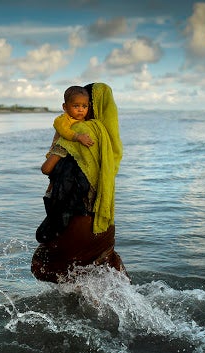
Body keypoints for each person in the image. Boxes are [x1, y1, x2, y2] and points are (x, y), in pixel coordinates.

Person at [31, 82, 127, 283]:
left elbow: (47, 169)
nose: (83, 109)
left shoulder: (79, 131)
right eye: (79, 105)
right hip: (103, 220)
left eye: (86, 104)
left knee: (43, 265)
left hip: (78, 216)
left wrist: (59, 144)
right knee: (102, 274)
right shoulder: (106, 136)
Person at [48, 86, 94, 154]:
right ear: (65, 107)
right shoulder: (63, 119)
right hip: (57, 152)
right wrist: (78, 137)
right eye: (76, 106)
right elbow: (64, 131)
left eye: (84, 106)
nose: (81, 110)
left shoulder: (84, 120)